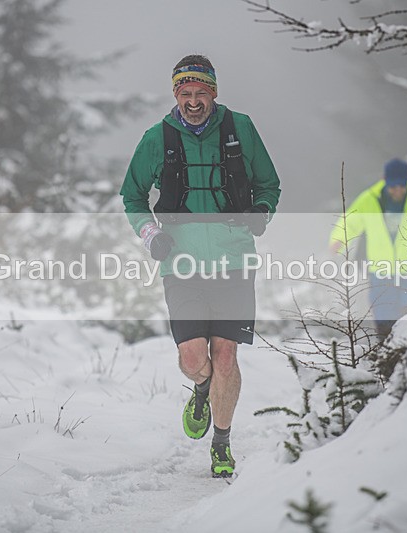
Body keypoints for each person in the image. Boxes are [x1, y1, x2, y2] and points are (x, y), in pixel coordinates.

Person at [120, 54, 281, 477]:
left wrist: (261, 211)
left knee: (225, 355)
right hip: (181, 261)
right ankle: (201, 389)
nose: (194, 101)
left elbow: (269, 183)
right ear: (176, 95)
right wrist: (150, 234)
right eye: (185, 93)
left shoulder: (240, 128)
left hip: (233, 258)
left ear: (213, 92)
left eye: (201, 92)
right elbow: (132, 197)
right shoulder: (157, 138)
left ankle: (222, 444)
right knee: (194, 358)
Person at [329, 158, 407, 339]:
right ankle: (386, 346)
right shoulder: (369, 199)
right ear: (385, 181)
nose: (397, 190)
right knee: (384, 312)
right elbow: (350, 222)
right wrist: (338, 240)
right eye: (393, 186)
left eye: (401, 186)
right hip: (380, 269)